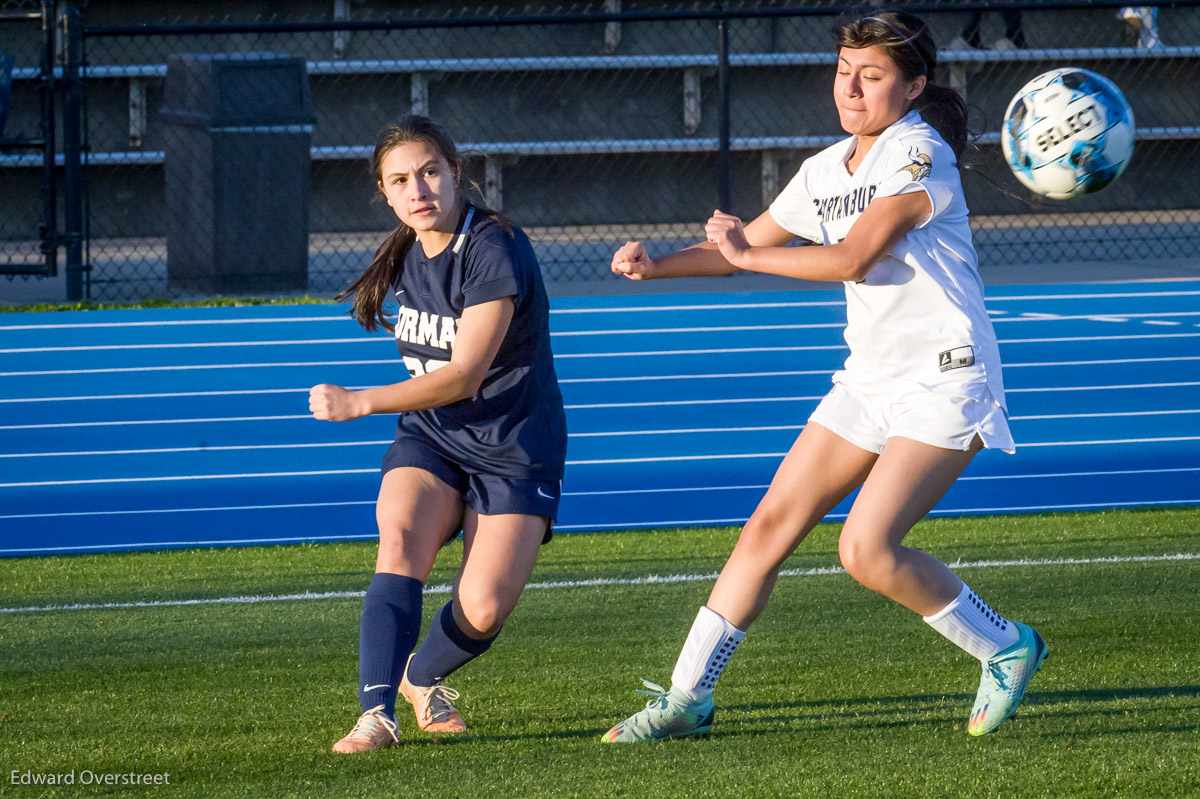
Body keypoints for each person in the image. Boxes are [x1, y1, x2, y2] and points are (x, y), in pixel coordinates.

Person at [600, 11, 1046, 743]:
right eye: (845, 71)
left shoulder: (918, 153)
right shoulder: (824, 170)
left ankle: (1005, 644)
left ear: (912, 86)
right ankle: (687, 699)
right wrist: (660, 265)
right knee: (768, 526)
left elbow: (851, 258)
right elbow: (745, 246)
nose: (852, 87)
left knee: (865, 548)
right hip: (870, 378)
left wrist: (743, 255)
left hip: (946, 377)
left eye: (872, 76)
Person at [311, 115, 567, 752]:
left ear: (457, 173)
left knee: (482, 608)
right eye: (400, 180)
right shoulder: (407, 248)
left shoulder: (493, 246)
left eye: (429, 171)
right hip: (432, 438)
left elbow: (464, 374)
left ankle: (420, 677)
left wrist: (361, 402)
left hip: (513, 447)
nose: (418, 188)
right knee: (398, 541)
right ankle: (376, 716)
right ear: (385, 192)